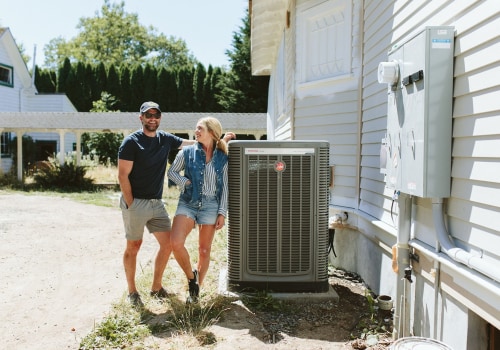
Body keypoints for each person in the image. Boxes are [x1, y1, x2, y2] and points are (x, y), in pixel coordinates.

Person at [117, 102, 234, 308]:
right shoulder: (131, 142)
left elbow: (193, 143)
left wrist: (219, 141)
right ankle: (132, 292)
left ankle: (158, 287)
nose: (152, 118)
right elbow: (122, 175)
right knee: (134, 246)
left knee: (170, 244)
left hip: (157, 203)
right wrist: (130, 202)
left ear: (160, 117)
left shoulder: (165, 139)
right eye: (148, 115)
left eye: (156, 115)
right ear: (141, 118)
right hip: (136, 202)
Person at [167, 117, 232, 303]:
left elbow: (225, 187)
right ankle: (191, 277)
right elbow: (172, 172)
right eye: (196, 128)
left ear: (212, 132)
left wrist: (222, 212)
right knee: (176, 242)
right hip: (188, 201)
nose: (196, 132)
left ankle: (195, 294)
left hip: (211, 204)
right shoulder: (187, 153)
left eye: (200, 129)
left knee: (204, 250)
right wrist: (184, 182)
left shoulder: (222, 157)